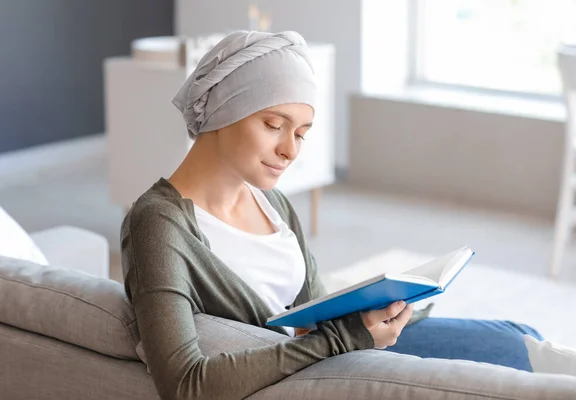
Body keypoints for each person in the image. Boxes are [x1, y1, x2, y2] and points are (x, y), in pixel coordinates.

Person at [120, 30, 542, 400]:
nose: (290, 150)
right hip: (320, 371)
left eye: (301, 133)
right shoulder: (158, 223)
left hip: (341, 349)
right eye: (273, 124)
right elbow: (184, 385)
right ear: (222, 111)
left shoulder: (273, 203)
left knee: (517, 337)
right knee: (521, 366)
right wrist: (343, 338)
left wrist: (382, 307)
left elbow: (311, 309)